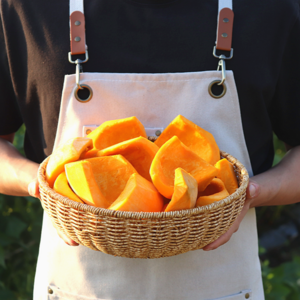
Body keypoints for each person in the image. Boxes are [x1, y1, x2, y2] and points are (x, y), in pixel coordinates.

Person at [0, 0, 300, 299]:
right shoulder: (27, 8)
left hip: (224, 288)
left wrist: (255, 192)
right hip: (74, 288)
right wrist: (40, 184)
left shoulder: (272, 9)